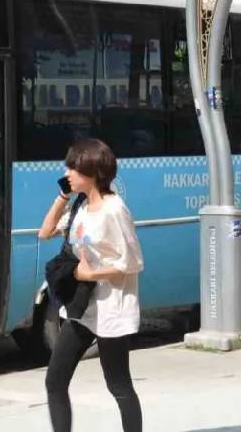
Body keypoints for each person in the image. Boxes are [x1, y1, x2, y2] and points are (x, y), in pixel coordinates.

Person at [39, 139, 144, 432]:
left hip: (110, 308)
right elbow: (44, 232)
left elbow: (133, 262)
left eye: (73, 167)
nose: (67, 172)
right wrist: (63, 196)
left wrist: (87, 275)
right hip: (81, 307)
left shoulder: (114, 210)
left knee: (119, 385)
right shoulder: (81, 207)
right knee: (55, 381)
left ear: (94, 171)